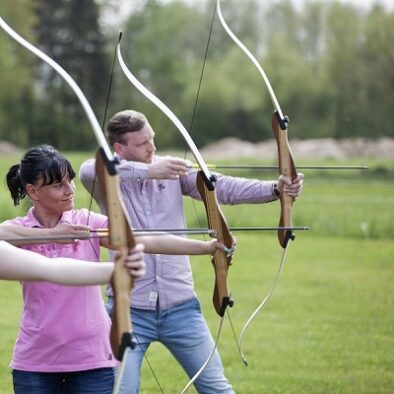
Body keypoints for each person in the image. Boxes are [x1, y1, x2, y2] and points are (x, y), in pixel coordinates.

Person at [79, 109, 304, 394]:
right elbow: (88, 168)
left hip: (181, 308)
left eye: (152, 139)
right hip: (128, 310)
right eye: (143, 143)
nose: (153, 147)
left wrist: (274, 189)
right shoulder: (106, 179)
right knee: (121, 391)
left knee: (217, 389)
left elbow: (220, 187)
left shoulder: (173, 171)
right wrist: (149, 170)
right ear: (119, 149)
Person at [4, 144, 233, 394]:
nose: (70, 190)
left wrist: (207, 247)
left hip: (93, 358)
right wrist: (50, 234)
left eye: (70, 181)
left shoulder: (87, 222)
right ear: (33, 191)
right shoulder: (19, 229)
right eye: (58, 185)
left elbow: (146, 239)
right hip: (35, 361)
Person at [0, 223, 145, 284]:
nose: (70, 190)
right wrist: (52, 233)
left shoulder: (85, 219)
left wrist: (116, 270)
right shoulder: (18, 224)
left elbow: (49, 268)